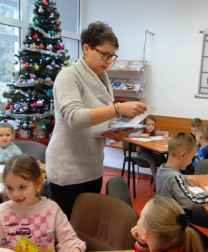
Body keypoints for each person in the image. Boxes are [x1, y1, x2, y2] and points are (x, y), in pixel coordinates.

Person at [46, 21, 147, 219]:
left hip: (92, 165)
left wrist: (114, 131)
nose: (109, 61)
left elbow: (105, 115)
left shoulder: (103, 77)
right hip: (68, 168)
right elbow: (74, 117)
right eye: (104, 54)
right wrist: (118, 109)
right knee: (67, 228)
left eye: (112, 56)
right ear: (86, 48)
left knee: (87, 223)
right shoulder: (68, 76)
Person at [0, 155, 86, 252]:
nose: (15, 194)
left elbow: (68, 239)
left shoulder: (51, 209)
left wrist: (75, 250)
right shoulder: (1, 213)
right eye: (10, 188)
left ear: (38, 183)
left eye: (22, 187)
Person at [156, 132, 208, 247]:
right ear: (182, 155)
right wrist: (207, 194)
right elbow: (190, 201)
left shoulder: (162, 169)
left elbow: (171, 178)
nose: (190, 162)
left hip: (164, 221)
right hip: (175, 227)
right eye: (191, 158)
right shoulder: (175, 177)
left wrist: (185, 178)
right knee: (206, 244)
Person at [128, 115, 169, 180]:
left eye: (153, 124)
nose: (150, 127)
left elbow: (166, 132)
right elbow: (130, 135)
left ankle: (164, 179)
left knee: (163, 159)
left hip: (151, 152)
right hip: (141, 153)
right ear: (144, 125)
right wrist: (141, 135)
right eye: (148, 124)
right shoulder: (142, 131)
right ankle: (157, 181)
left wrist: (166, 134)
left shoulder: (155, 132)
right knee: (152, 161)